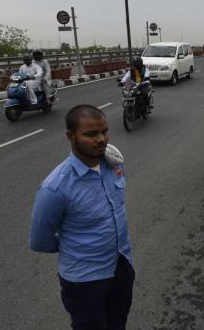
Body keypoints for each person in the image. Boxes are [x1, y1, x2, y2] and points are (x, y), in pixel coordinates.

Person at [29, 106, 135, 330]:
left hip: (121, 266)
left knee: (118, 323)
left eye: (104, 131)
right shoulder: (55, 188)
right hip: (85, 282)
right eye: (91, 134)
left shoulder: (113, 163)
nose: (101, 139)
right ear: (70, 136)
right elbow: (40, 241)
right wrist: (76, 246)